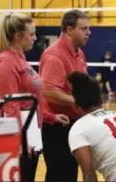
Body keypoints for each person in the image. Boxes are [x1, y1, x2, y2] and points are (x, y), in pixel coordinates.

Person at [0, 12, 68, 181]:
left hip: (30, 129)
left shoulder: (21, 60)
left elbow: (33, 100)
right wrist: (19, 138)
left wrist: (50, 116)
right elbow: (10, 105)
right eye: (32, 33)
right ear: (18, 36)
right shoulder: (6, 62)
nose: (35, 38)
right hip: (13, 132)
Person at [39, 9, 91, 182]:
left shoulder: (79, 53)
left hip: (74, 125)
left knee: (69, 174)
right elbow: (49, 92)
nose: (88, 33)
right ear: (70, 30)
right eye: (84, 29)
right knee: (60, 175)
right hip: (57, 126)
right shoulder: (54, 55)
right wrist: (78, 102)